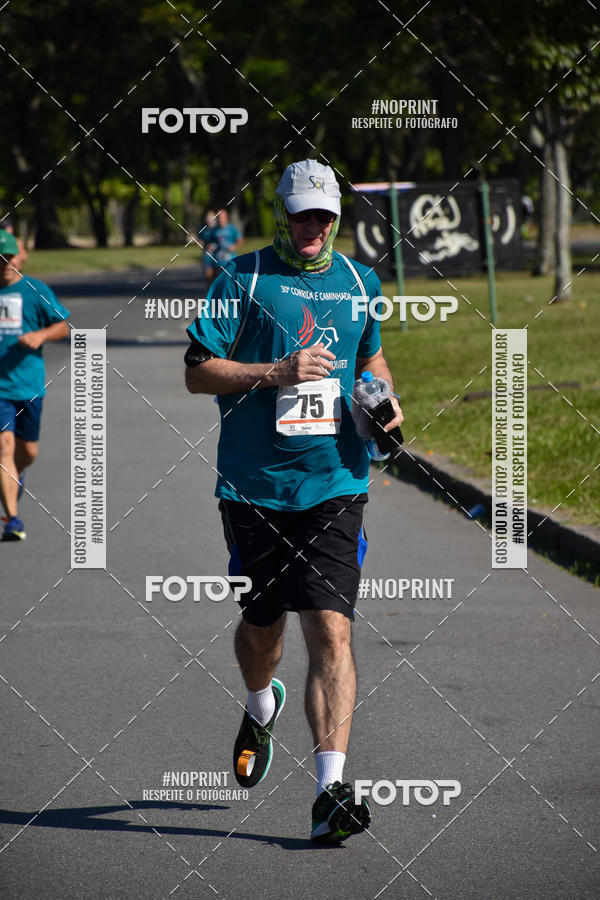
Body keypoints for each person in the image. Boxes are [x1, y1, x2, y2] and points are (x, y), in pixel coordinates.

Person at [184, 159, 403, 842]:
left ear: (336, 218)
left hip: (337, 481)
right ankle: (260, 704)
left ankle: (329, 793)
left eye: (324, 216)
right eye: (302, 214)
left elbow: (370, 358)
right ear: (282, 213)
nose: (313, 226)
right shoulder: (243, 278)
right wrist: (273, 371)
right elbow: (197, 372)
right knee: (263, 628)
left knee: (331, 630)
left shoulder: (360, 282)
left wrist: (385, 400)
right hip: (256, 487)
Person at [0, 229, 70, 540]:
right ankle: (12, 520)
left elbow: (62, 326)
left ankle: (16, 475)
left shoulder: (35, 290)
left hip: (28, 386)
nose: (5, 264)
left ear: (19, 258)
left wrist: (40, 335)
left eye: (9, 257)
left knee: (27, 453)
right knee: (4, 448)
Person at [203, 209, 242, 285]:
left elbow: (240, 240)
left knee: (230, 282)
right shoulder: (214, 230)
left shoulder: (231, 228)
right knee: (216, 282)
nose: (220, 219)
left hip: (230, 260)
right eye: (219, 217)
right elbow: (209, 242)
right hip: (218, 261)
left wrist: (234, 247)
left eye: (222, 217)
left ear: (226, 218)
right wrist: (209, 246)